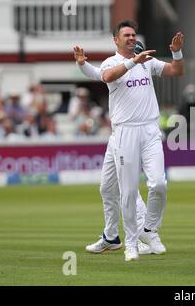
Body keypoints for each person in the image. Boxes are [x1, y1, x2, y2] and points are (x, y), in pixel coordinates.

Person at [75, 20, 184, 262]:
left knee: (159, 185)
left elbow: (177, 71)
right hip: (124, 132)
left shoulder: (146, 61)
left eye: (134, 34)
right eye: (126, 35)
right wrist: (132, 61)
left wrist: (176, 52)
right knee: (125, 190)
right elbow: (104, 75)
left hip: (150, 129)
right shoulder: (113, 62)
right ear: (116, 40)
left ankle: (148, 231)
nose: (131, 38)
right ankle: (127, 242)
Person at [73, 47, 152, 257]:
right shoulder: (117, 65)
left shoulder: (141, 71)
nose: (135, 54)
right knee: (107, 188)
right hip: (115, 136)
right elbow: (100, 74)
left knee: (128, 189)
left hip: (128, 135)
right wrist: (82, 64)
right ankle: (111, 236)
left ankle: (144, 238)